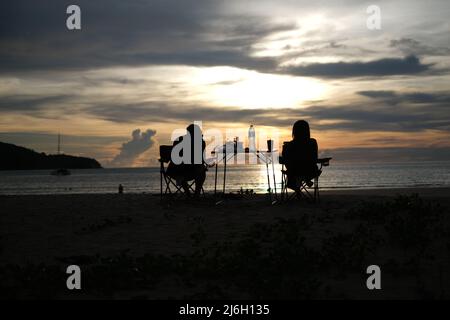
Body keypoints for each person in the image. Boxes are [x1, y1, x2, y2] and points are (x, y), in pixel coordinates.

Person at [167, 124, 207, 197]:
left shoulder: (200, 142)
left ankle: (192, 193)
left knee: (200, 168)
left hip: (182, 171)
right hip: (181, 171)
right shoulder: (180, 140)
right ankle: (192, 194)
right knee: (201, 170)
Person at [282, 120, 320, 191]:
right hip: (310, 171)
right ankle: (306, 180)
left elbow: (285, 159)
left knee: (293, 169)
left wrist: (285, 148)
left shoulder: (290, 144)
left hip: (294, 172)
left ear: (294, 131)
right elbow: (315, 157)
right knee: (309, 169)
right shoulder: (312, 142)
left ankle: (298, 184)